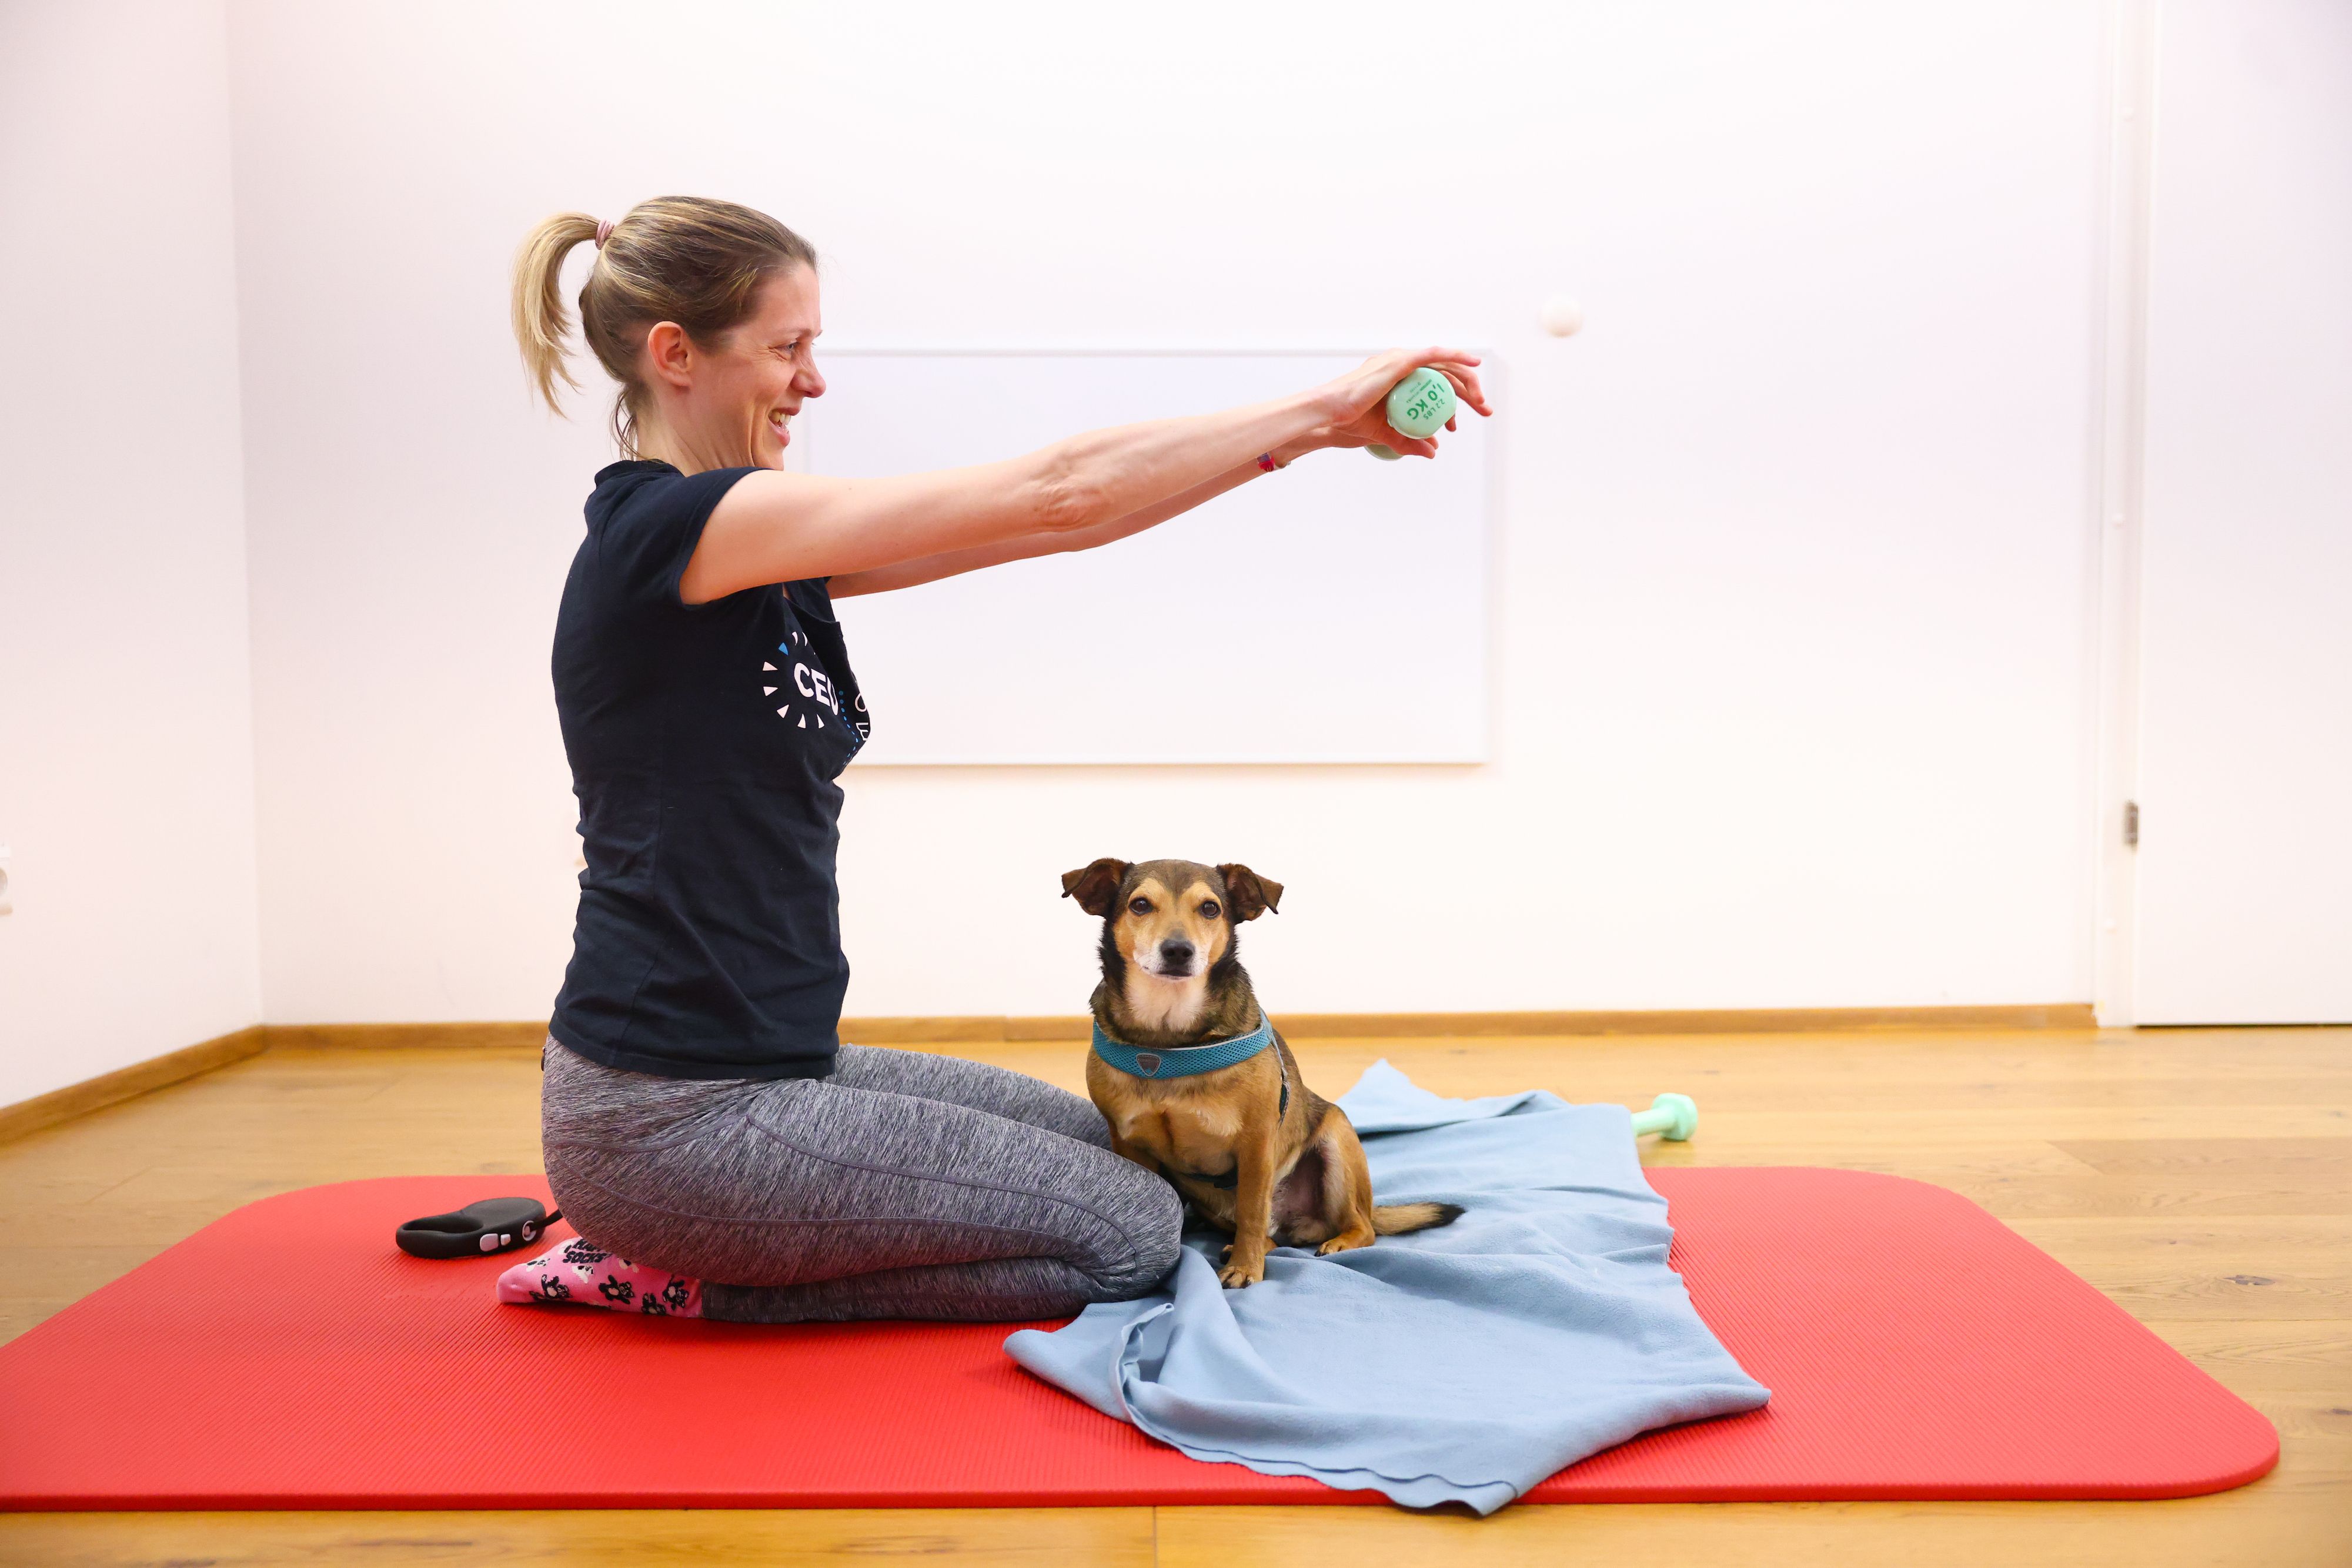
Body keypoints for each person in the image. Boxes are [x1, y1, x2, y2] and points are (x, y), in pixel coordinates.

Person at [508, 194, 1489, 1322]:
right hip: (669, 1117)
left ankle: (702, 1254)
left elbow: (1065, 522)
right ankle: (682, 1282)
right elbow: (1060, 486)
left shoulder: (758, 554)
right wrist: (1325, 397)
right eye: (788, 349)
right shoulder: (672, 531)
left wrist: (1311, 440)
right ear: (675, 355)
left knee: (1112, 1147)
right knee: (1133, 1235)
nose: (813, 382)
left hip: (774, 1063)